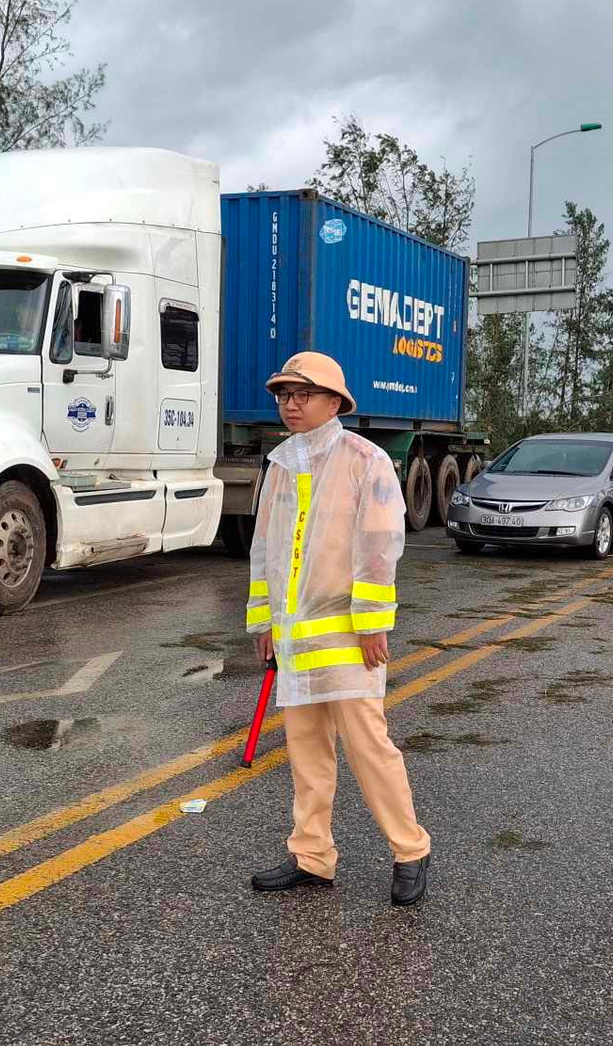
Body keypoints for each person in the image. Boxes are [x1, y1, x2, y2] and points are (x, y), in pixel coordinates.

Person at [244, 351, 432, 907]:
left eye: (303, 394)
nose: (291, 404)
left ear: (335, 403)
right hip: (296, 634)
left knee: (368, 745)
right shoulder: (280, 463)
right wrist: (264, 621)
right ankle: (312, 857)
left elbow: (379, 545)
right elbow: (264, 549)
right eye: (284, 395)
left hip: (348, 631)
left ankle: (410, 849)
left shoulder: (364, 459)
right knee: (305, 749)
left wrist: (374, 623)